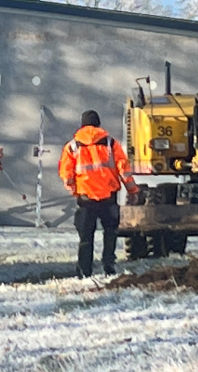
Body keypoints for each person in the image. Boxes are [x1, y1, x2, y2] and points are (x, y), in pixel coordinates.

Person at [59, 109, 139, 277]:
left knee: (86, 237)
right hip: (108, 197)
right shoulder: (111, 144)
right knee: (110, 232)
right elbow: (124, 170)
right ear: (98, 124)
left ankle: (84, 271)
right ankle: (108, 265)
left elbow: (67, 175)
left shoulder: (72, 146)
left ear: (82, 125)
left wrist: (75, 191)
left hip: (85, 198)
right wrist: (132, 190)